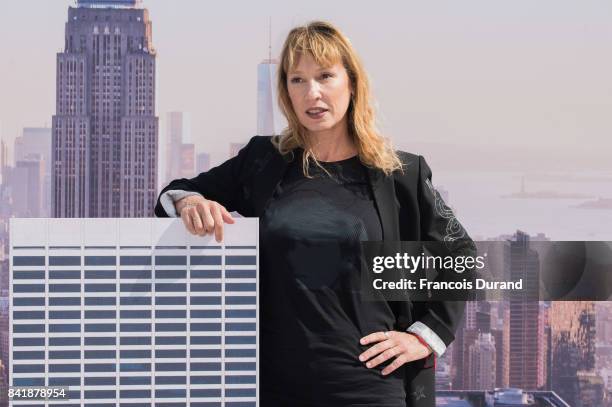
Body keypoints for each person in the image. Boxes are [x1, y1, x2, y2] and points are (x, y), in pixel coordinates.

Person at [155, 20, 474, 407]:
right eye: (297, 80)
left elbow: (461, 256)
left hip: (371, 390)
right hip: (274, 390)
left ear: (352, 82)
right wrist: (191, 203)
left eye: (325, 76)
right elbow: (177, 192)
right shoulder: (264, 161)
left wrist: (425, 335)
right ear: (286, 92)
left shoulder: (400, 175)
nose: (313, 93)